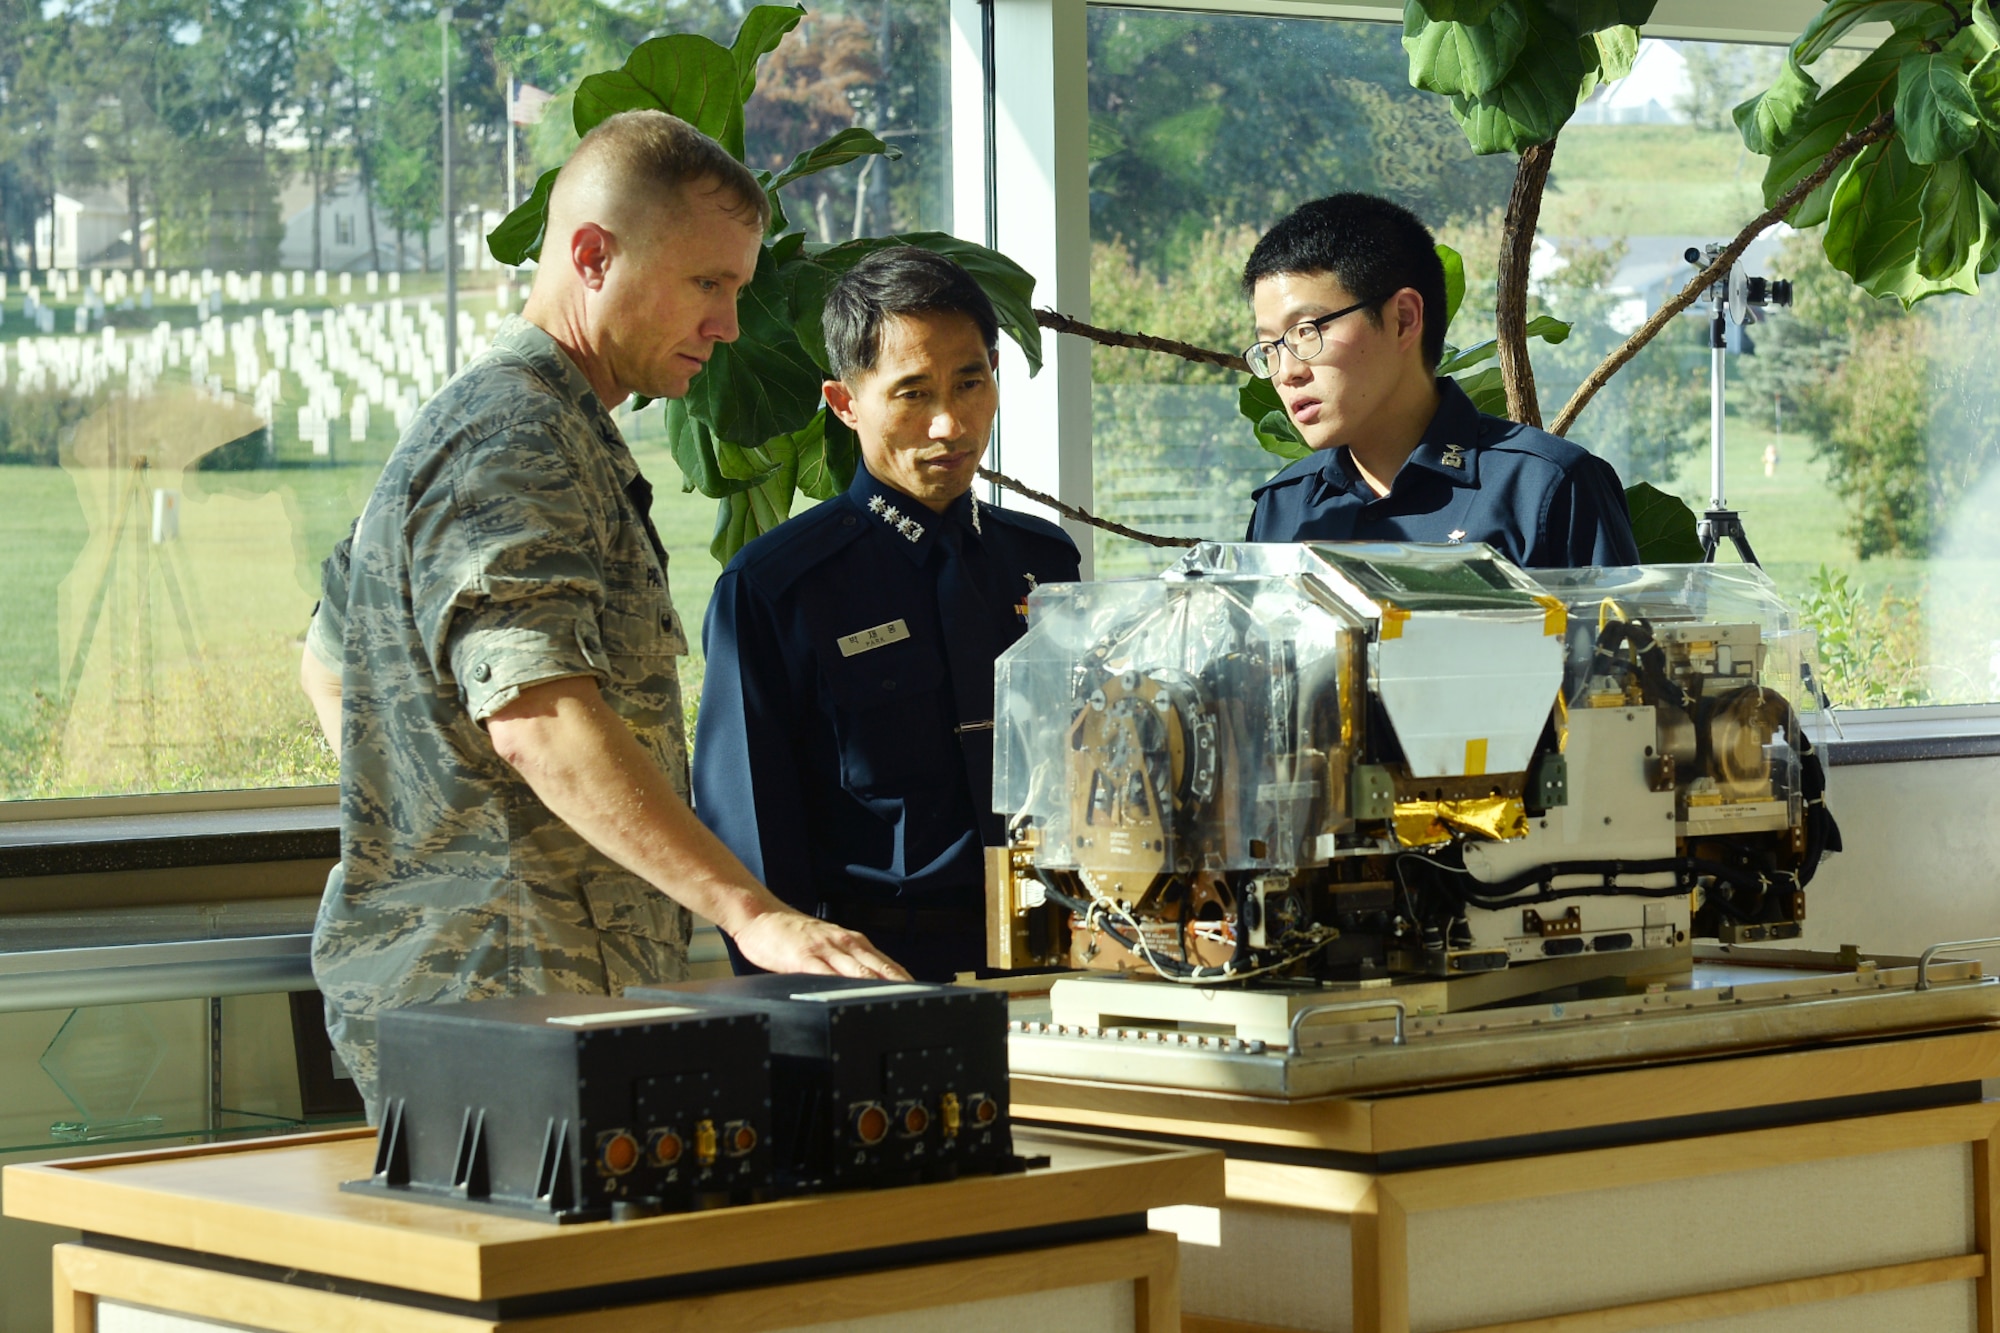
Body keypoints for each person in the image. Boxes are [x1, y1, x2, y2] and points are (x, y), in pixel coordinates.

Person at [300, 110, 906, 1115]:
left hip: (533, 1002)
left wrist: (431, 812)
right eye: (706, 284)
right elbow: (537, 716)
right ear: (591, 255)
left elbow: (331, 654)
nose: (728, 324)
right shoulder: (513, 439)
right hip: (500, 1012)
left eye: (737, 291)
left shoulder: (512, 424)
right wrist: (749, 912)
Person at [692, 247, 1080, 981]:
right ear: (845, 404)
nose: (949, 425)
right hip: (880, 976)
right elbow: (756, 848)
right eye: (912, 394)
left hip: (1051, 960)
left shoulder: (1044, 563)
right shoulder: (779, 589)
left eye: (970, 383)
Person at [1241, 193, 1641, 568]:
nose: (1287, 371)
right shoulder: (1282, 509)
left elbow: (1614, 639)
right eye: (1268, 348)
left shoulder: (1547, 488)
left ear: (1404, 319)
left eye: (1306, 331)